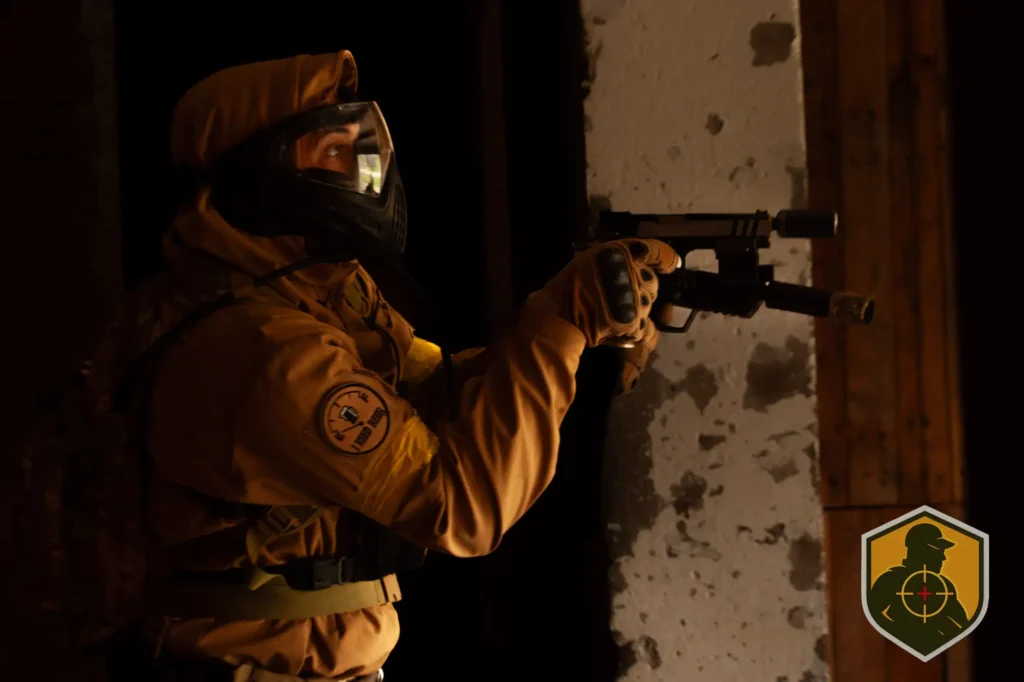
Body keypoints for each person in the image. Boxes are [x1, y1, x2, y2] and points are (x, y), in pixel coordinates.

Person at [103, 50, 677, 680]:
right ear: (255, 175)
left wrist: (580, 344)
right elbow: (465, 506)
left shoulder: (317, 288)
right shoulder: (266, 353)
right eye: (331, 151)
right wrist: (559, 324)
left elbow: (434, 391)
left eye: (361, 146)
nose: (362, 169)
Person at [867, 523, 973, 654]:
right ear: (920, 550)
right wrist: (903, 633)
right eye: (937, 550)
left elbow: (963, 625)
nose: (943, 557)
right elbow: (871, 616)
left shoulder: (944, 585)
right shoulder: (892, 579)